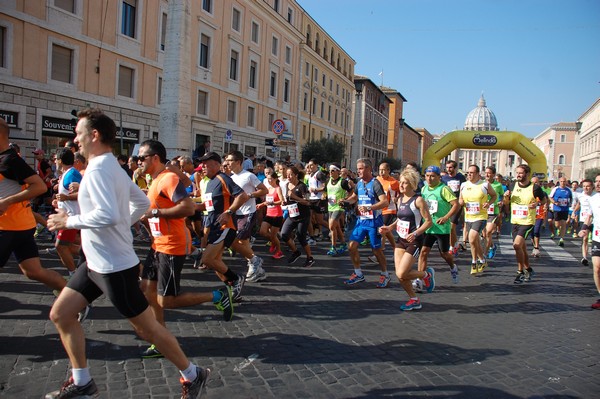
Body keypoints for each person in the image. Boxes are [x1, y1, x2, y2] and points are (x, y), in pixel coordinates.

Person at [46, 109, 210, 399]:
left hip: (113, 266)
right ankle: (82, 381)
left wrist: (67, 221)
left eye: (79, 132)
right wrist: (124, 222)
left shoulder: (98, 169)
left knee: (148, 330)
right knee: (61, 314)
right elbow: (137, 201)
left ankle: (193, 374)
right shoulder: (109, 165)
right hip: (96, 262)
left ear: (94, 135)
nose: (76, 139)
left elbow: (108, 214)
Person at [0, 118, 68, 293]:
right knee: (34, 271)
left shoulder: (10, 160)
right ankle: (72, 296)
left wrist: (7, 201)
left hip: (8, 227)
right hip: (21, 225)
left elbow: (38, 185)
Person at [195, 151, 248, 301]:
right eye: (202, 163)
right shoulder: (209, 182)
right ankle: (232, 288)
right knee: (216, 262)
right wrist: (193, 206)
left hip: (225, 226)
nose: (202, 166)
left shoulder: (222, 178)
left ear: (217, 164)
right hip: (214, 226)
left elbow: (242, 196)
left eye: (206, 163)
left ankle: (236, 279)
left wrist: (229, 212)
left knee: (206, 259)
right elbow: (209, 205)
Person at [379, 168, 433, 310]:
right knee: (400, 275)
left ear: (412, 184)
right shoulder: (400, 199)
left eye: (405, 183)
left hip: (414, 241)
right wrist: (389, 228)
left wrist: (416, 233)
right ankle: (414, 299)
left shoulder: (419, 200)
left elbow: (428, 221)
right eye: (401, 183)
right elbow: (400, 219)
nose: (401, 186)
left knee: (402, 273)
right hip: (401, 240)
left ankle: (426, 274)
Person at [343, 158, 391, 287]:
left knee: (376, 251)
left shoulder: (375, 183)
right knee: (352, 246)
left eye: (360, 168)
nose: (358, 171)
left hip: (374, 222)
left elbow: (384, 202)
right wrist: (346, 201)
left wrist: (369, 207)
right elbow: (355, 197)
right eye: (357, 168)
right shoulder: (359, 183)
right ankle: (358, 273)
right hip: (361, 221)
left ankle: (385, 274)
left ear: (369, 169)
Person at [225, 151, 268, 282]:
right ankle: (257, 268)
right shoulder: (230, 177)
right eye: (227, 160)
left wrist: (249, 195)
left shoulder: (249, 176)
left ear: (238, 162)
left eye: (230, 160)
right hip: (235, 213)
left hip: (248, 212)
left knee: (238, 239)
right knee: (243, 242)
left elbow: (264, 190)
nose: (227, 163)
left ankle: (254, 262)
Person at [502, 164, 546, 284]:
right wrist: (506, 198)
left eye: (521, 173)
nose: (518, 175)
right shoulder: (512, 185)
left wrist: (536, 204)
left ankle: (520, 272)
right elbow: (506, 203)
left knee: (516, 245)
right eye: (517, 173)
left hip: (527, 221)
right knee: (522, 248)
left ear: (527, 174)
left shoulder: (535, 188)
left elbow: (543, 200)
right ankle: (528, 269)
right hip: (515, 221)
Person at [418, 165, 461, 284]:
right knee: (423, 252)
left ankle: (453, 267)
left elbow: (456, 204)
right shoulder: (424, 189)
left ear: (438, 177)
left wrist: (446, 217)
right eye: (427, 176)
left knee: (444, 254)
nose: (429, 178)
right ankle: (420, 279)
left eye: (432, 176)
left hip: (442, 228)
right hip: (428, 226)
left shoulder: (444, 189)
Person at [458, 164, 496, 275]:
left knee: (472, 238)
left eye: (471, 173)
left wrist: (488, 203)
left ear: (478, 174)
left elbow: (494, 196)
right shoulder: (464, 185)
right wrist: (461, 202)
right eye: (468, 173)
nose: (469, 174)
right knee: (474, 241)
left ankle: (474, 263)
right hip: (469, 216)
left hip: (481, 217)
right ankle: (482, 260)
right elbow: (460, 198)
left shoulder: (485, 185)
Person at [52, 148, 83, 275]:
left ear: (60, 160)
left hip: (71, 217)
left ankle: (73, 274)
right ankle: (93, 254)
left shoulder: (72, 174)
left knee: (60, 246)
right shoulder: (67, 173)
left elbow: (84, 193)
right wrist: (59, 202)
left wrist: (66, 198)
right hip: (66, 216)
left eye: (55, 159)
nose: (54, 162)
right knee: (68, 245)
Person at [280, 166, 315, 267]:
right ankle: (296, 252)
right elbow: (289, 198)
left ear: (296, 175)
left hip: (303, 216)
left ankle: (310, 258)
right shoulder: (287, 185)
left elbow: (308, 202)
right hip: (292, 215)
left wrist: (295, 197)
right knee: (284, 234)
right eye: (287, 175)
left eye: (290, 175)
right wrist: (285, 202)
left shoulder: (302, 186)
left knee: (301, 237)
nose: (288, 177)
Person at [578, 174, 600, 309]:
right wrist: (584, 228)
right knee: (597, 267)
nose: (598, 184)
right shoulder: (594, 199)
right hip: (598, 237)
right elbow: (589, 216)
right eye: (597, 181)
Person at [257, 170, 285, 259]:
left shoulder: (278, 188)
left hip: (277, 215)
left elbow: (281, 201)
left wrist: (273, 203)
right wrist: (261, 205)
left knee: (273, 235)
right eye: (268, 179)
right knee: (262, 232)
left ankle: (279, 251)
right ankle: (274, 242)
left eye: (271, 179)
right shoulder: (268, 189)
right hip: (269, 214)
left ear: (275, 179)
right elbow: (267, 201)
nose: (269, 181)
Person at [325, 163, 352, 256]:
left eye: (332, 170)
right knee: (335, 227)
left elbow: (351, 192)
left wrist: (345, 199)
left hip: (339, 207)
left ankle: (333, 247)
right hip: (330, 206)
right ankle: (343, 243)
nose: (330, 172)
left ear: (338, 171)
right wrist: (324, 195)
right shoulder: (328, 181)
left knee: (331, 226)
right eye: (329, 170)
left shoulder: (343, 182)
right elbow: (326, 191)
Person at [442, 160, 466, 255]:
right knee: (449, 227)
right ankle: (456, 244)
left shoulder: (460, 177)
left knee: (452, 226)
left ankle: (452, 247)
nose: (448, 169)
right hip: (447, 204)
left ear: (455, 168)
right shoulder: (444, 178)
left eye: (450, 167)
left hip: (457, 204)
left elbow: (464, 189)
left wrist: (462, 199)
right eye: (447, 167)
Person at [377, 162, 400, 252]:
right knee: (387, 230)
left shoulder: (393, 182)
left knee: (382, 229)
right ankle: (396, 247)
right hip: (379, 209)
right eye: (380, 170)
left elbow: (402, 191)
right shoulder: (377, 180)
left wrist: (397, 198)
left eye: (383, 170)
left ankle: (381, 249)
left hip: (390, 209)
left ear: (388, 171)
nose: (381, 172)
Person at [483, 166, 505, 259]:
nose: (487, 175)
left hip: (493, 211)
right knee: (484, 235)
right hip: (482, 211)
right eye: (486, 173)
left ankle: (484, 254)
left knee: (488, 232)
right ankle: (492, 246)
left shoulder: (498, 185)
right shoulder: (482, 184)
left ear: (493, 175)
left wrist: (501, 202)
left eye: (489, 173)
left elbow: (502, 196)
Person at [573, 179, 594, 266]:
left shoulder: (596, 196)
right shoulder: (581, 196)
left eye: (588, 186)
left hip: (595, 221)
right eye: (584, 186)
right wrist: (574, 212)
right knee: (584, 238)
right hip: (584, 219)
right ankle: (584, 257)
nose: (586, 188)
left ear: (592, 187)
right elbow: (579, 204)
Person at [548, 177, 572, 246]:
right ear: (559, 182)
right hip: (557, 209)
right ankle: (558, 229)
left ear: (566, 182)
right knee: (557, 224)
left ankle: (561, 238)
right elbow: (550, 197)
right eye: (561, 181)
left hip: (565, 209)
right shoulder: (556, 189)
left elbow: (570, 198)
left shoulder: (568, 190)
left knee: (564, 223)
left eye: (564, 181)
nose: (563, 183)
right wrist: (555, 202)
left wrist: (569, 204)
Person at [530, 176, 548, 258]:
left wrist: (544, 206)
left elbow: (545, 202)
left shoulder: (542, 193)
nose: (535, 184)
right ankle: (534, 246)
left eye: (536, 182)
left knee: (536, 231)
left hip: (539, 215)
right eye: (533, 182)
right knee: (532, 233)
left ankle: (536, 247)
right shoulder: (528, 192)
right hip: (530, 215)